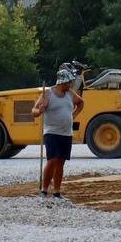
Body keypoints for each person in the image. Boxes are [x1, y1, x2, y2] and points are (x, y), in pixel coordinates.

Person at [31, 68, 84, 199]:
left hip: (66, 133)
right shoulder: (47, 93)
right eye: (68, 83)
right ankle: (44, 190)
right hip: (51, 132)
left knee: (61, 162)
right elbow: (33, 111)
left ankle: (56, 191)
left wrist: (73, 115)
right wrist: (40, 110)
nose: (70, 85)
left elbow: (81, 103)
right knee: (52, 160)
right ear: (62, 82)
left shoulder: (70, 94)